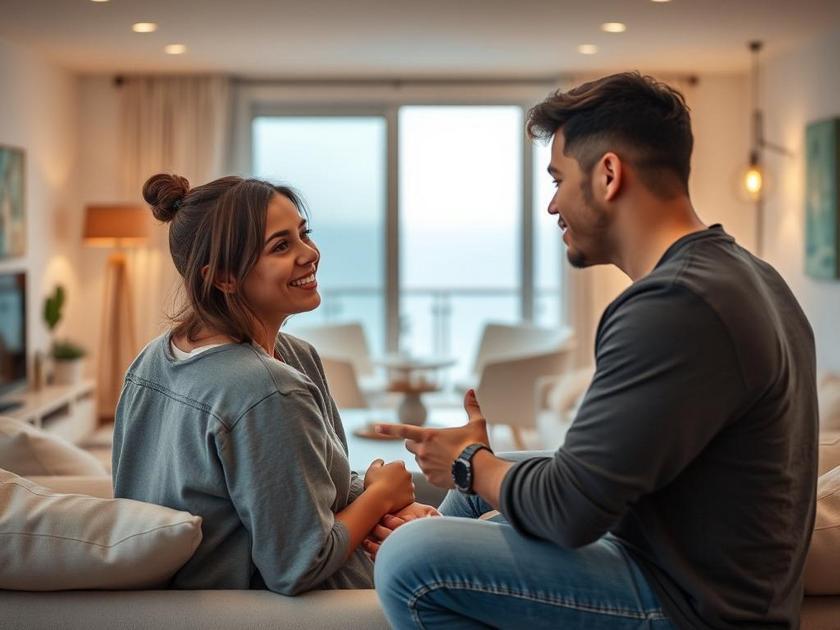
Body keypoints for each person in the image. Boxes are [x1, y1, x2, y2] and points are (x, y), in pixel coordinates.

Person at [372, 72, 818, 629]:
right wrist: (481, 474)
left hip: (693, 606)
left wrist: (468, 461)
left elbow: (568, 513)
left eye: (558, 179)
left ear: (608, 174)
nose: (553, 204)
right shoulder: (753, 276)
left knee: (411, 560)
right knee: (471, 499)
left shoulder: (674, 304)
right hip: (678, 561)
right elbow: (598, 479)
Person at [112, 173, 430, 595]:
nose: (310, 254)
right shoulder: (265, 391)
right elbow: (298, 565)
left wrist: (391, 504)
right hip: (314, 605)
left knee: (481, 508)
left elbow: (313, 485)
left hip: (355, 558)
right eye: (281, 247)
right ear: (223, 278)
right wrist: (381, 498)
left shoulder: (154, 358)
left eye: (304, 234)